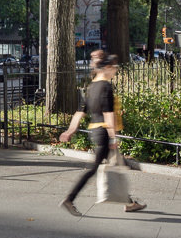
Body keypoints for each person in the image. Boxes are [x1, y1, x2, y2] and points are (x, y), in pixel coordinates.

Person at [58, 50, 146, 216]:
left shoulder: (91, 87)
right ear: (106, 67)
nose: (115, 72)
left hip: (95, 131)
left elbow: (79, 113)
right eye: (114, 69)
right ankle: (69, 199)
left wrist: (70, 130)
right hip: (104, 132)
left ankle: (130, 203)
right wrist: (113, 136)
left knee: (117, 164)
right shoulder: (105, 86)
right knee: (94, 168)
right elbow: (108, 113)